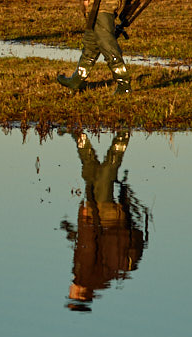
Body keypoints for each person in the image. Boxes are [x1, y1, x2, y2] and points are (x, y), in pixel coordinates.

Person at [60, 130, 149, 311]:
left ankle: (79, 135)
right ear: (80, 293)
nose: (69, 290)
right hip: (106, 222)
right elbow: (88, 245)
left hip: (113, 228)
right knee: (104, 178)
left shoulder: (101, 280)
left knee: (90, 173)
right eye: (71, 295)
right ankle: (121, 138)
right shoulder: (84, 276)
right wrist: (85, 217)